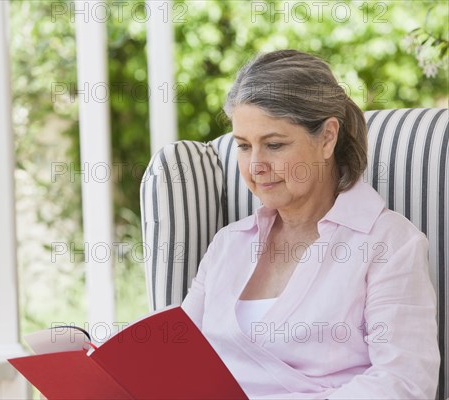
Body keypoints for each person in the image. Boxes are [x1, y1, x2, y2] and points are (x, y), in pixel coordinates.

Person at [180, 49, 440, 399]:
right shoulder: (228, 244)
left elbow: (405, 383)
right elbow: (175, 348)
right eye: (243, 146)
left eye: (274, 145)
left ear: (328, 137)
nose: (256, 165)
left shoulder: (389, 244)